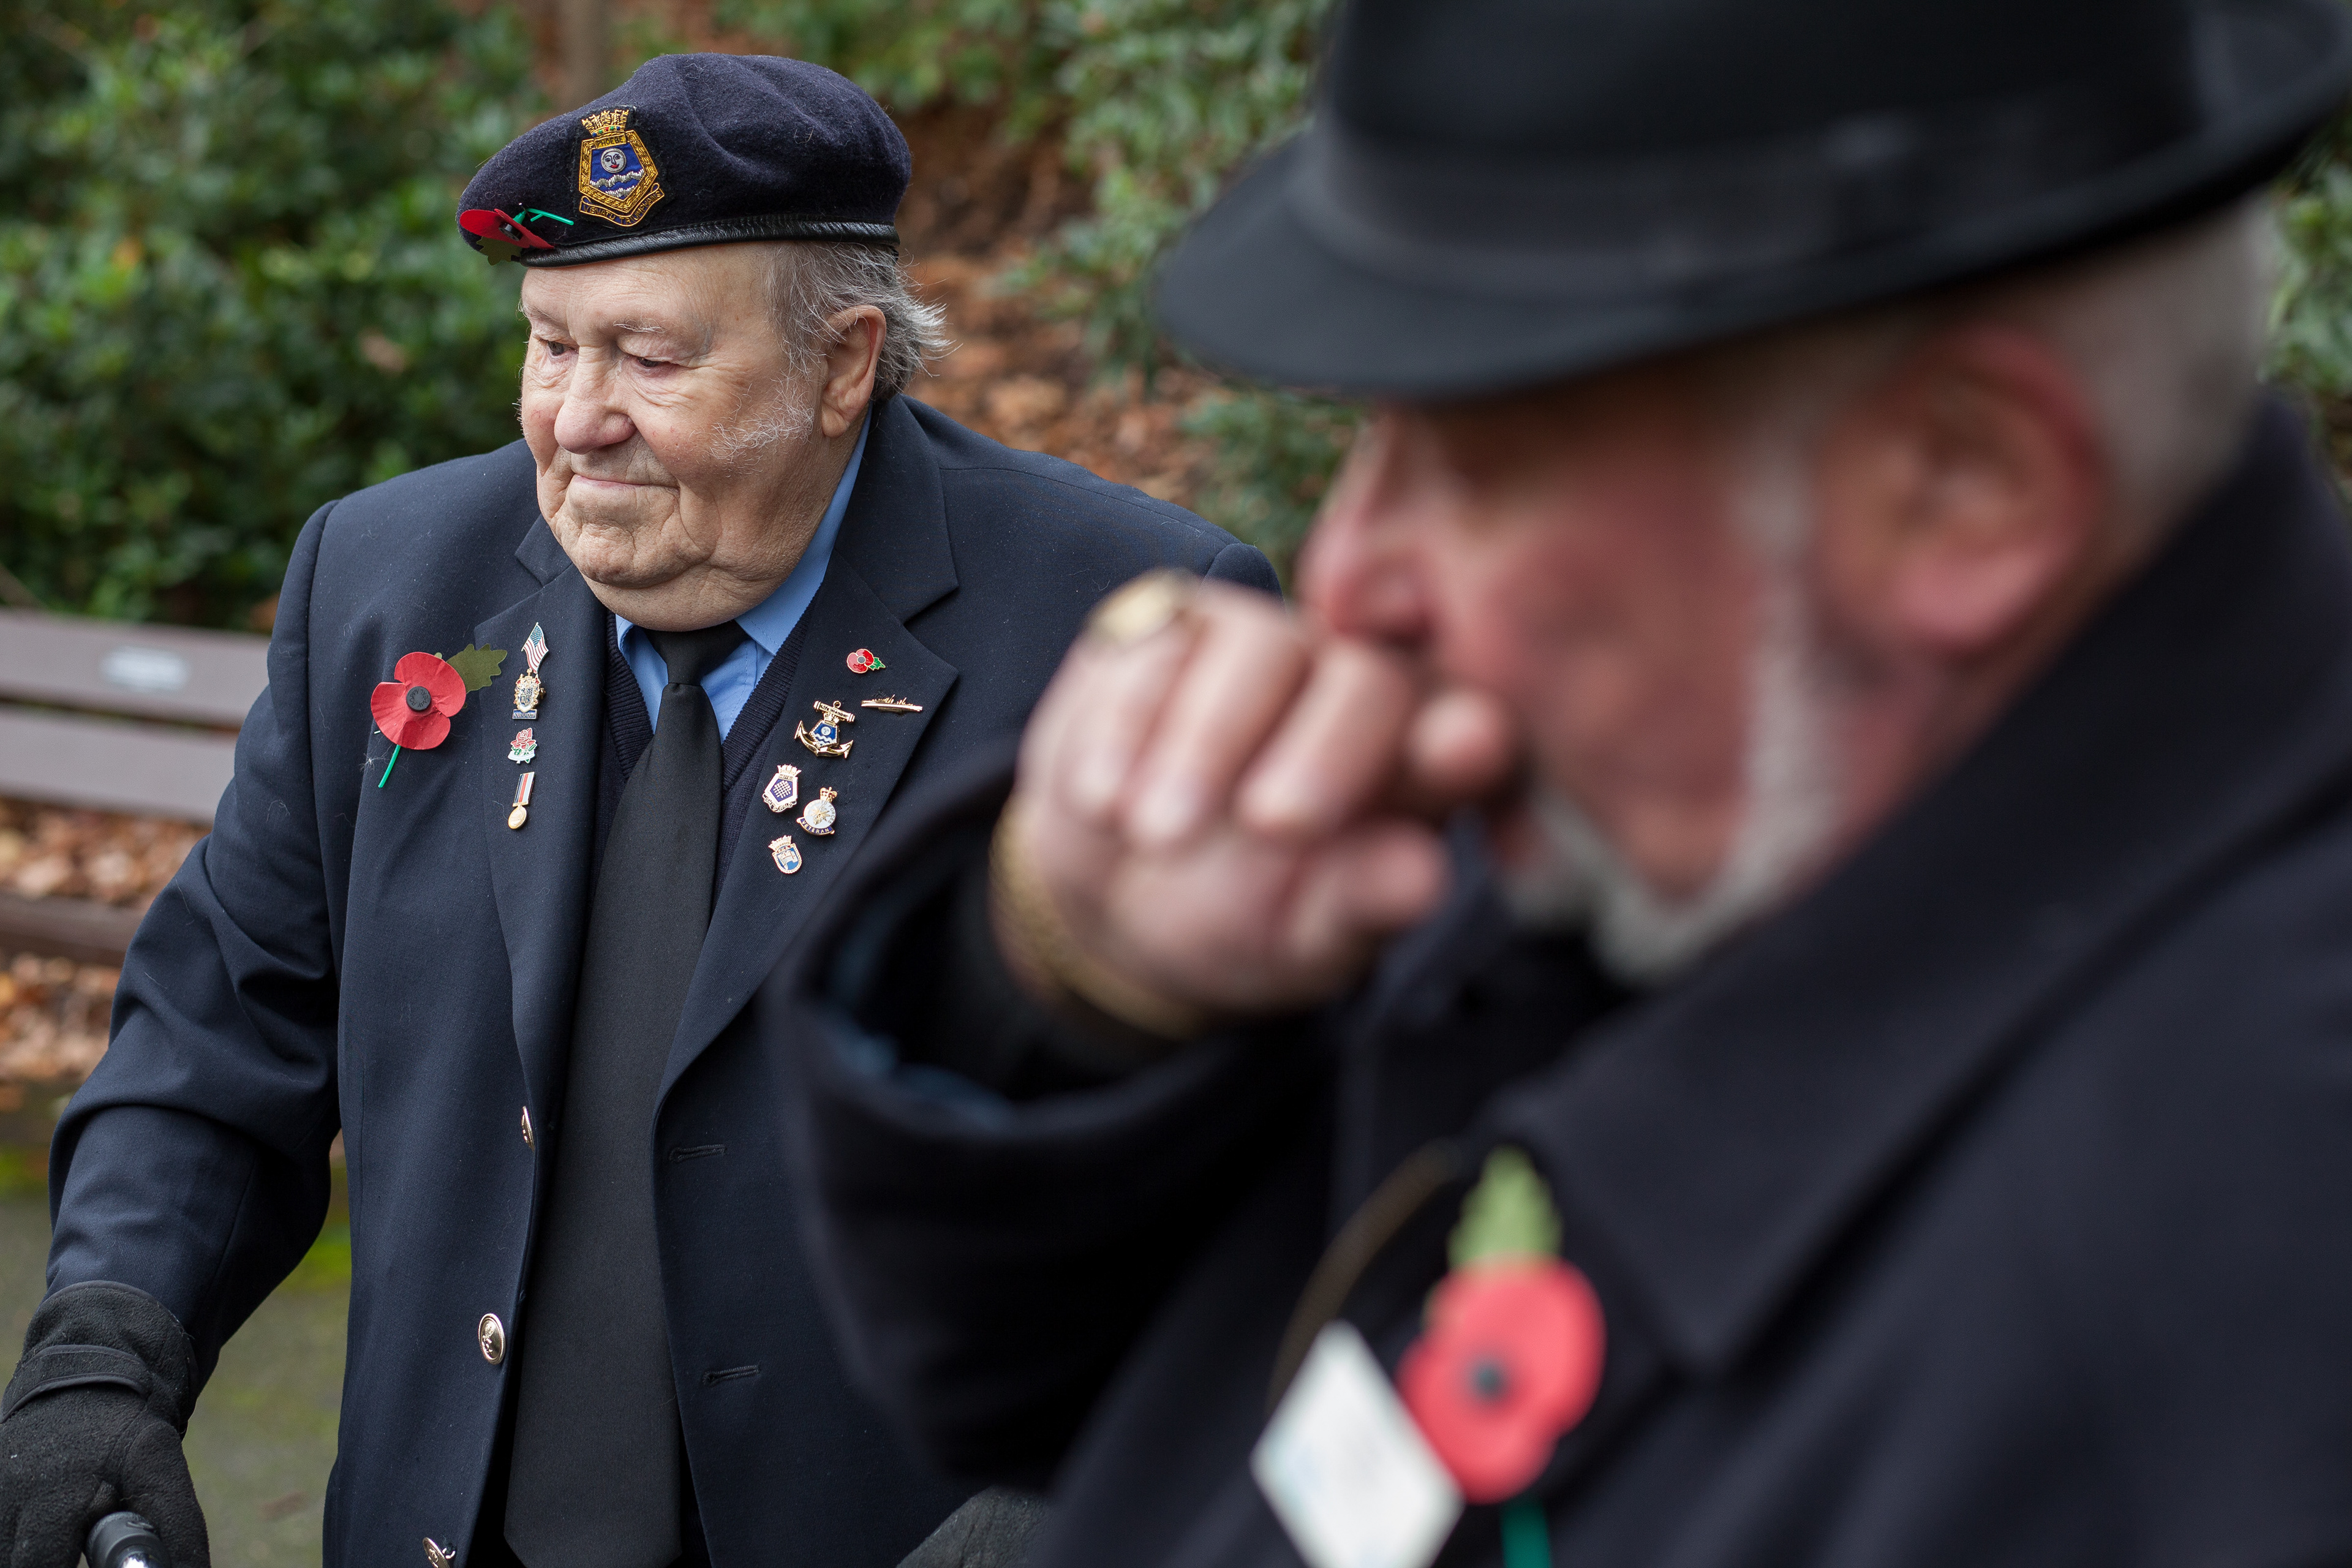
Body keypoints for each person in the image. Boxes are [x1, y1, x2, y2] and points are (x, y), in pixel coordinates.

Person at [768, 0, 2352, 1564]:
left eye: (1472, 460)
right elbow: (1029, 1395)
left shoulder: (2242, 1287)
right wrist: (1073, 993)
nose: (1351, 574)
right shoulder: (1693, 791)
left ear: (1965, 488)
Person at [0, 51, 1274, 1568]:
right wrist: (104, 1351)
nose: (575, 420)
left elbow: (1254, 1187)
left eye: (650, 359)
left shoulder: (1124, 630)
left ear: (845, 362)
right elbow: (227, 1027)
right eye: (551, 346)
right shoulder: (390, 581)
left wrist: (1051, 1524)